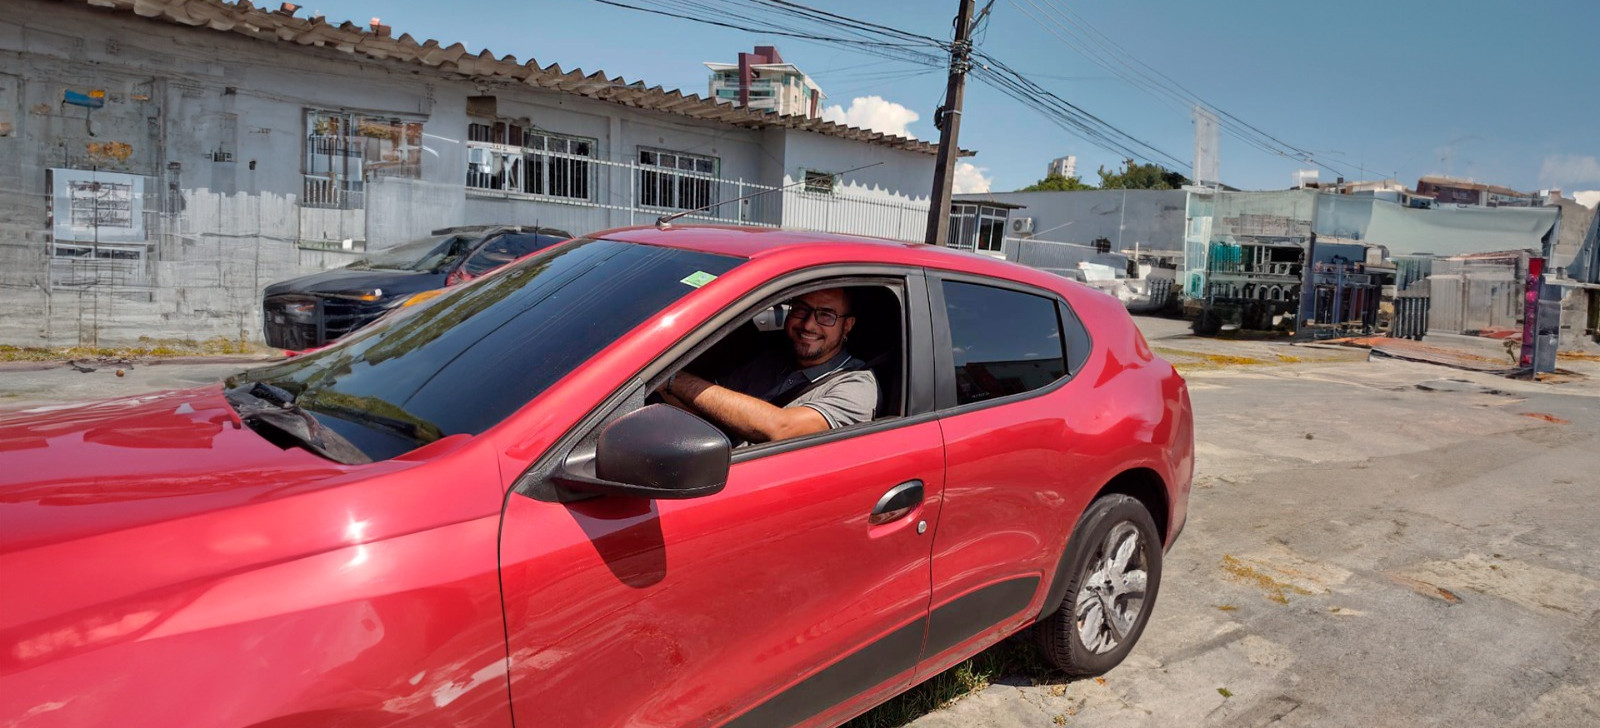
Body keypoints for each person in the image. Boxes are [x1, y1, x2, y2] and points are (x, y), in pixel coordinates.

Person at [660, 287, 877, 444]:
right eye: (801, 309)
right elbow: (708, 408)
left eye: (826, 316)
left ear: (847, 326)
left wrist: (674, 379)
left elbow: (782, 427)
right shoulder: (771, 361)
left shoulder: (856, 385)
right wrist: (656, 388)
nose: (809, 324)